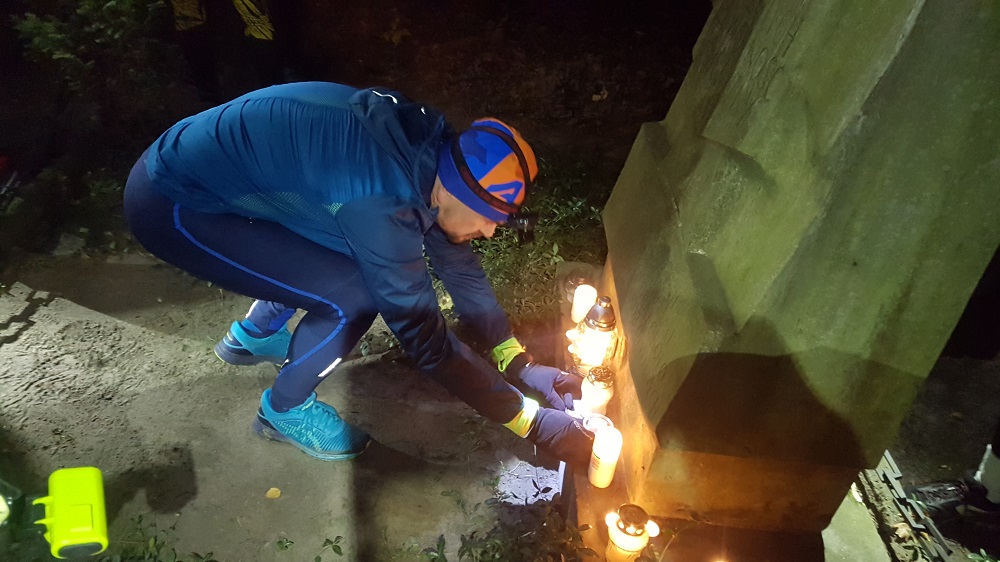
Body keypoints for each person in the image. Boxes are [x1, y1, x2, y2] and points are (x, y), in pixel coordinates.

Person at [123, 81, 591, 466]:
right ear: (452, 193)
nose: (489, 233)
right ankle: (284, 410)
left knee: (344, 246)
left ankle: (254, 335)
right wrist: (531, 421)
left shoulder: (431, 152)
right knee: (355, 295)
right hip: (173, 203)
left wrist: (516, 359)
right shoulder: (382, 202)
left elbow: (457, 262)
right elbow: (427, 341)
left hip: (226, 173)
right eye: (488, 219)